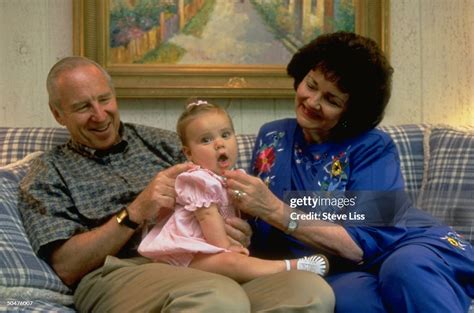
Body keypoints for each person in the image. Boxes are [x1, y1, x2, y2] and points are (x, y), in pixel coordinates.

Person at [18, 56, 335, 312]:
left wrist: (236, 228)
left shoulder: (166, 143)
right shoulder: (47, 171)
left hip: (201, 261)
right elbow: (66, 266)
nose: (100, 115)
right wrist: (135, 212)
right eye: (83, 107)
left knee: (309, 291)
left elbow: (219, 194)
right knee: (217, 298)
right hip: (118, 271)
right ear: (58, 114)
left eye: (105, 99)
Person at [224, 32, 474, 313]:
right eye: (311, 85)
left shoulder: (372, 145)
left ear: (351, 112)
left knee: (404, 270)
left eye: (331, 99)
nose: (312, 101)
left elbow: (361, 243)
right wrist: (242, 231)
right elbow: (262, 222)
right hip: (335, 265)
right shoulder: (273, 136)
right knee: (352, 300)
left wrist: (275, 211)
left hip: (405, 245)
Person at [138, 100, 329, 282]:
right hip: (185, 255)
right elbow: (207, 217)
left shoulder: (233, 178)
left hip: (207, 249)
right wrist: (226, 247)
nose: (219, 143)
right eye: (206, 140)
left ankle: (284, 269)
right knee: (231, 261)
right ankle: (288, 267)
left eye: (225, 134)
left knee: (236, 262)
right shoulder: (197, 180)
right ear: (189, 153)